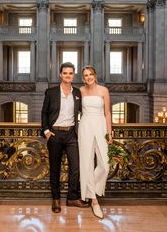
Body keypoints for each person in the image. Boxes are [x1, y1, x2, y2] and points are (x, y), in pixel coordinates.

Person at [41, 62, 89, 213]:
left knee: (75, 167)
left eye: (70, 73)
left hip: (71, 135)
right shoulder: (51, 92)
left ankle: (72, 198)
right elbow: (44, 113)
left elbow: (84, 111)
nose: (68, 75)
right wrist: (47, 131)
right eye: (65, 73)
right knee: (55, 169)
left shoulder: (77, 93)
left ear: (73, 75)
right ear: (60, 75)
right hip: (55, 134)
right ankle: (56, 200)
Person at [78, 66, 113, 219]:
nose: (88, 77)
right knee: (86, 163)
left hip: (100, 126)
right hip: (85, 126)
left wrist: (109, 132)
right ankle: (94, 200)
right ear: (83, 78)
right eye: (85, 75)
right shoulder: (80, 91)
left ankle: (90, 188)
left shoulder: (104, 90)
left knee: (105, 165)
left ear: (95, 75)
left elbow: (107, 112)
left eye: (90, 74)